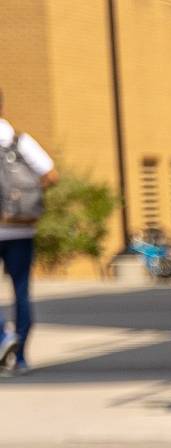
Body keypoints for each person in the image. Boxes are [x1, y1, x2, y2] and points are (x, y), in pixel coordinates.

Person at [0, 86, 58, 376]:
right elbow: (51, 174)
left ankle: (2, 336)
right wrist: (26, 198)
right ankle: (20, 358)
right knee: (21, 293)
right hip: (21, 230)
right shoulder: (18, 140)